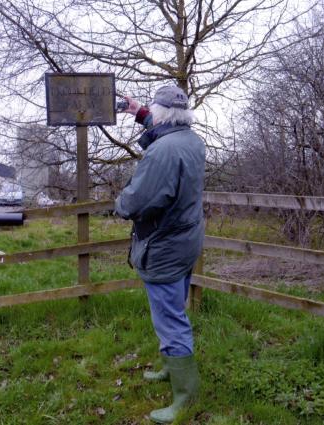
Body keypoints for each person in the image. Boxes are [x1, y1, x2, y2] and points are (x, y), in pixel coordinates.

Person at [115, 85, 205, 423]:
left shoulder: (163, 152)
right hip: (186, 241)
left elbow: (138, 201)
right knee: (174, 307)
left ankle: (186, 393)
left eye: (152, 109)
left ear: (163, 113)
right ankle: (172, 368)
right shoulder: (192, 140)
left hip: (165, 245)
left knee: (170, 318)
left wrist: (120, 203)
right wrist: (138, 113)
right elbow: (164, 133)